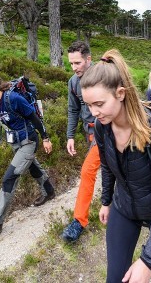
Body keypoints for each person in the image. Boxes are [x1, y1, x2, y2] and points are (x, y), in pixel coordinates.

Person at [81, 49, 151, 283]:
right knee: (115, 279)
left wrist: (147, 262)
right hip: (124, 207)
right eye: (88, 105)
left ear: (120, 93)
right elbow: (107, 166)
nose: (94, 113)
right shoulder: (101, 126)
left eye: (99, 103)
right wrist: (106, 201)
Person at [0, 73, 55, 239]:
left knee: (9, 178)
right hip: (15, 143)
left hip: (29, 141)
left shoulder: (14, 99)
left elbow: (35, 118)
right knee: (32, 167)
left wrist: (46, 138)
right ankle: (49, 191)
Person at [61, 41, 100, 242]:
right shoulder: (73, 82)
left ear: (88, 59)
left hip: (109, 133)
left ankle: (79, 221)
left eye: (77, 63)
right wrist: (70, 136)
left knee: (87, 171)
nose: (74, 67)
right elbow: (73, 110)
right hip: (90, 134)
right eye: (71, 64)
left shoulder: (103, 76)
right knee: (101, 170)